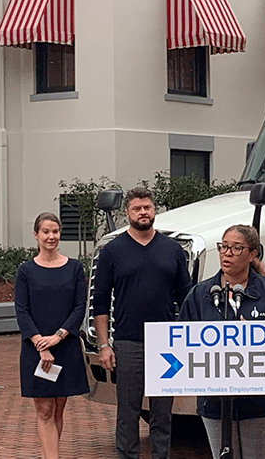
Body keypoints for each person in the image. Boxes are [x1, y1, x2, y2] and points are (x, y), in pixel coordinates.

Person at [178, 224, 265, 459]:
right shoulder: (200, 295)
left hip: (260, 402)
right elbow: (182, 339)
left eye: (236, 248)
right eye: (223, 247)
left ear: (252, 254)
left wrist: (256, 335)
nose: (227, 253)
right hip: (214, 401)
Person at [92, 186, 192, 459]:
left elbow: (186, 298)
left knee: (162, 414)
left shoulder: (172, 250)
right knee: (128, 412)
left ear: (155, 210)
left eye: (147, 207)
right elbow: (100, 301)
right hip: (127, 341)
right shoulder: (113, 251)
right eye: (137, 208)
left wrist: (187, 338)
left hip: (166, 344)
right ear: (127, 213)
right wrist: (104, 344)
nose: (143, 212)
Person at [15, 212, 89, 459]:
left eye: (55, 231)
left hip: (65, 347)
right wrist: (40, 343)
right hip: (35, 349)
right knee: (44, 409)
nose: (51, 236)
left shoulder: (74, 268)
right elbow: (22, 311)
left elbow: (80, 307)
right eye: (45, 232)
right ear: (36, 235)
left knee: (58, 409)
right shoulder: (25, 271)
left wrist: (58, 337)